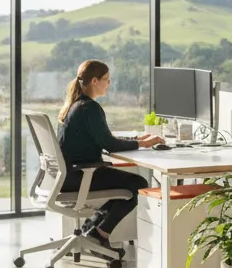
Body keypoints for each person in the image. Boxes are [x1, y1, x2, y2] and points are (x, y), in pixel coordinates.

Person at [57, 59, 163, 252]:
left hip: (67, 176)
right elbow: (110, 144)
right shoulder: (90, 108)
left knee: (127, 183)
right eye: (107, 79)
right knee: (138, 184)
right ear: (95, 81)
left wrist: (136, 139)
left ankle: (93, 226)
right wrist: (143, 144)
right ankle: (101, 232)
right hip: (80, 176)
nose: (109, 83)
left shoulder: (75, 105)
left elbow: (104, 138)